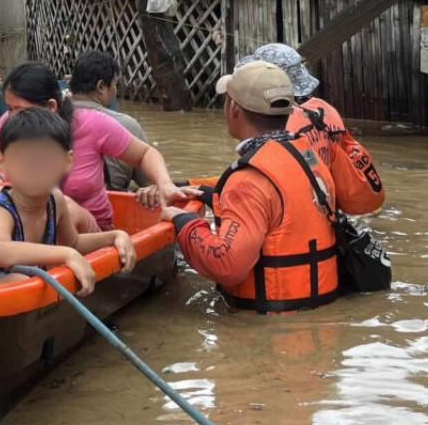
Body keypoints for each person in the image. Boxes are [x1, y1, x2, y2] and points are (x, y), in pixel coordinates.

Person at [162, 60, 384, 313]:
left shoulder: (248, 180)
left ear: (234, 107)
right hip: (319, 310)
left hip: (267, 325)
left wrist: (184, 222)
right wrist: (207, 194)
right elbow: (282, 209)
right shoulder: (310, 157)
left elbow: (226, 264)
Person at [0, 62, 197, 232]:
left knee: (60, 202)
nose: (11, 117)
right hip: (32, 230)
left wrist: (164, 183)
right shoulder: (12, 123)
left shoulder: (91, 124)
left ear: (51, 107)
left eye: (19, 109)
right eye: (9, 108)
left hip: (86, 234)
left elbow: (146, 153)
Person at [0, 108, 136, 293]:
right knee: (21, 280)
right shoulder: (0, 209)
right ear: (2, 161)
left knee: (33, 277)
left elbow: (73, 243)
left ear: (67, 162)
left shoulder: (55, 200)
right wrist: (66, 254)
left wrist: (114, 236)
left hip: (23, 286)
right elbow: (0, 251)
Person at [239, 43, 384, 213]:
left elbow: (259, 184)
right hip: (327, 210)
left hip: (297, 215)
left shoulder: (275, 125)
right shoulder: (325, 110)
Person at [68, 50, 149, 191]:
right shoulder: (124, 124)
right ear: (101, 87)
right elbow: (150, 180)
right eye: (115, 84)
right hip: (111, 204)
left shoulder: (50, 119)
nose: (116, 90)